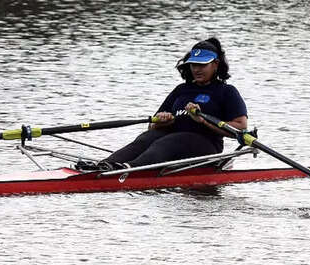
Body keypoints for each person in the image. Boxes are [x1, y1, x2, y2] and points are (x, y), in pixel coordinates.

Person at [80, 38, 249, 170]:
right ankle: (104, 166)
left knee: (170, 141)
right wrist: (161, 121)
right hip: (171, 140)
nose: (196, 69)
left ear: (215, 65)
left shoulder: (226, 92)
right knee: (146, 139)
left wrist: (203, 121)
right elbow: (151, 127)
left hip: (206, 145)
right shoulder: (181, 90)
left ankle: (128, 169)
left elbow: (240, 128)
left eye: (202, 65)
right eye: (193, 65)